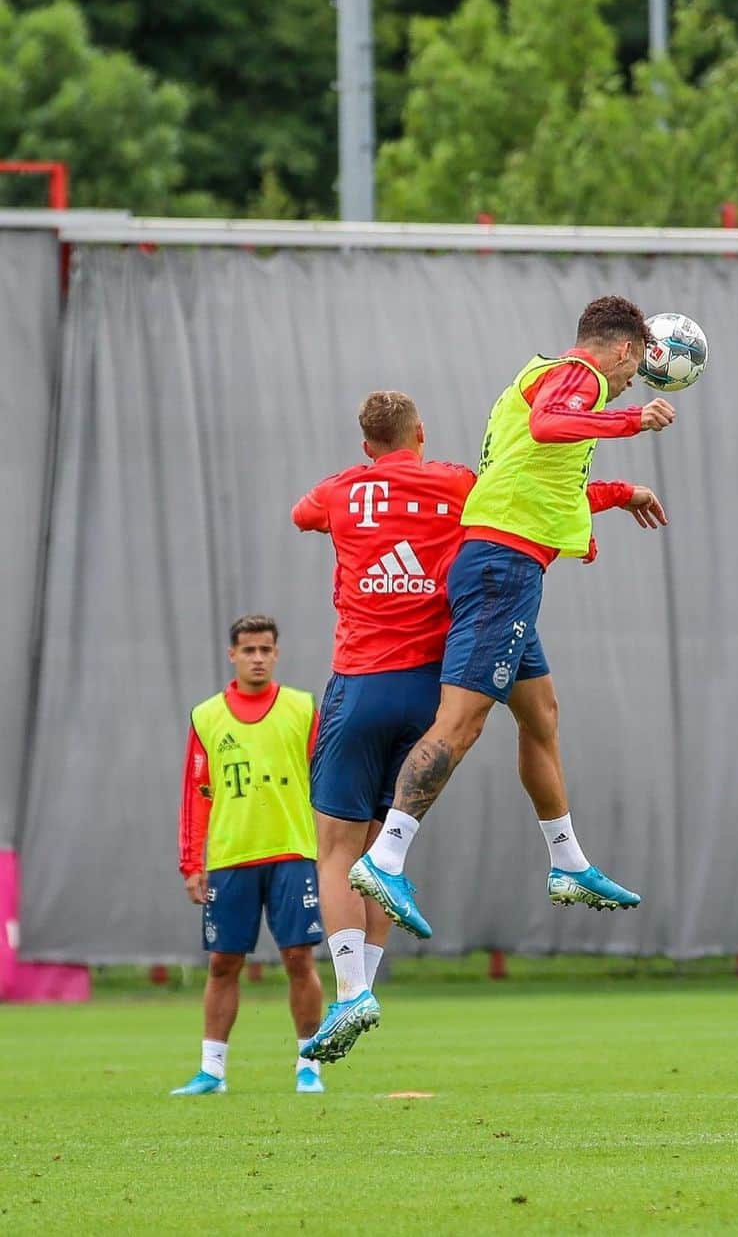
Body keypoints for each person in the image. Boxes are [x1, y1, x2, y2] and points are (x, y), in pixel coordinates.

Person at [350, 295, 674, 940]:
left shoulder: (537, 383)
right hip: (501, 568)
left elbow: (534, 472)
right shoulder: (577, 378)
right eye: (634, 371)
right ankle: (385, 857)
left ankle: (567, 863)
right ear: (626, 350)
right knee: (462, 723)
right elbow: (557, 425)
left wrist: (616, 495)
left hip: (504, 564)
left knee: (540, 714)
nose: (628, 384)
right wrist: (634, 420)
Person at [290, 391, 475, 1063]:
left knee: (336, 853)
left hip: (362, 684)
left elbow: (302, 514)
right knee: (380, 858)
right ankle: (364, 985)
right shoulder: (458, 483)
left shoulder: (344, 488)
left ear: (366, 444)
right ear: (421, 432)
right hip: (434, 695)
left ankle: (349, 993)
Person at [172, 616, 326, 1096]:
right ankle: (212, 1071)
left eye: (265, 649)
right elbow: (197, 794)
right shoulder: (207, 716)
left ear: (276, 654)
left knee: (299, 958)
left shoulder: (302, 709)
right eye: (248, 650)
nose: (257, 657)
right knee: (223, 963)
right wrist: (192, 863)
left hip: (292, 851)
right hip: (231, 857)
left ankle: (309, 1066)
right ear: (232, 655)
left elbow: (326, 781)